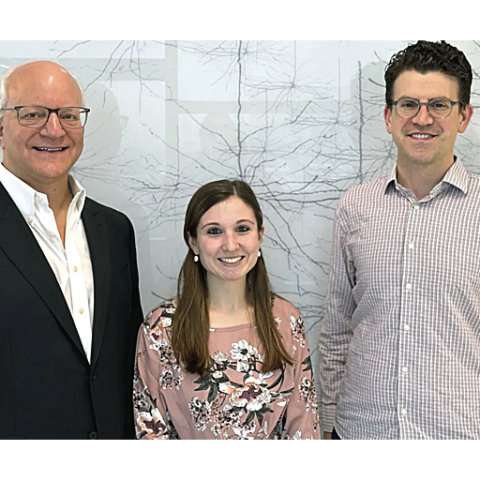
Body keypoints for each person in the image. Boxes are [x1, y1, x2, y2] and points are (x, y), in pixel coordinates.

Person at [318, 40, 480, 440]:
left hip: (457, 435)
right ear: (389, 116)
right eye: (408, 104)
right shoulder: (355, 207)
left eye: (439, 105)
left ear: (464, 117)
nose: (422, 118)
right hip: (360, 433)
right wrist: (328, 426)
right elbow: (337, 327)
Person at [0, 60, 143, 439]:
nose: (54, 129)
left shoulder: (115, 231)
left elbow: (129, 358)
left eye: (68, 115)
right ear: (0, 127)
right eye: (32, 114)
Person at [134, 179, 320, 439]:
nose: (231, 245)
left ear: (260, 235)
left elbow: (303, 428)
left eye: (242, 229)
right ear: (193, 242)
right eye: (214, 231)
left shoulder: (286, 320)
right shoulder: (161, 329)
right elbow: (151, 433)